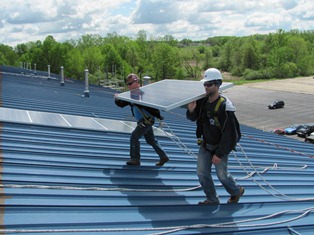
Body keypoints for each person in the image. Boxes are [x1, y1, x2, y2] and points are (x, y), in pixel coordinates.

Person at [186, 68, 244, 204]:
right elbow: (194, 118)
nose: (206, 87)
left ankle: (237, 191)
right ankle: (212, 199)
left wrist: (219, 154)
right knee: (202, 173)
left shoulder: (225, 106)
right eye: (205, 84)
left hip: (220, 147)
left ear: (217, 84)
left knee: (222, 175)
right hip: (206, 144)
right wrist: (191, 110)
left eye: (209, 84)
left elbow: (231, 134)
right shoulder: (202, 102)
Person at [114, 73, 169, 166]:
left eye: (130, 83)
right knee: (151, 140)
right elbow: (122, 104)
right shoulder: (131, 95)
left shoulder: (142, 93)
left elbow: (152, 107)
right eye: (128, 84)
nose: (129, 86)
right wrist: (117, 100)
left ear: (136, 82)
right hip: (144, 120)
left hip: (146, 120)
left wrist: (158, 115)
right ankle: (163, 157)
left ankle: (135, 159)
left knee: (134, 136)